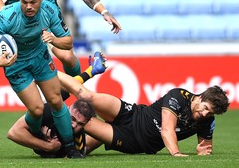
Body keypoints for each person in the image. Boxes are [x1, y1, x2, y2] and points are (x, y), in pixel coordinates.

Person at [0, 0, 83, 158]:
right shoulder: (7, 16)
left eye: (32, 2)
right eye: (24, 2)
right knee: (36, 110)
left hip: (40, 57)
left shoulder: (50, 10)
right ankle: (39, 139)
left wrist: (54, 39)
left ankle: (70, 148)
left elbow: (68, 42)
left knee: (56, 100)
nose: (28, 7)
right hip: (16, 64)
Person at [57, 66, 230, 156]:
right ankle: (48, 71)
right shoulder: (178, 96)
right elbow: (167, 130)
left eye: (211, 113)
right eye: (206, 108)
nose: (206, 114)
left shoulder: (207, 120)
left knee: (81, 125)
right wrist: (176, 153)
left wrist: (203, 151)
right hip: (132, 114)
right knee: (88, 97)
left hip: (133, 140)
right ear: (200, 97)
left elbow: (205, 147)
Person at [7, 51, 106, 158]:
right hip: (51, 102)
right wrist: (47, 146)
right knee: (58, 96)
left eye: (80, 124)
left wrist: (49, 148)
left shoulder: (78, 141)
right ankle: (92, 70)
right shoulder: (48, 111)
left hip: (69, 140)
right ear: (68, 109)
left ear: (85, 124)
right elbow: (13, 133)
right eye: (72, 118)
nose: (73, 125)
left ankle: (92, 70)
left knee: (90, 145)